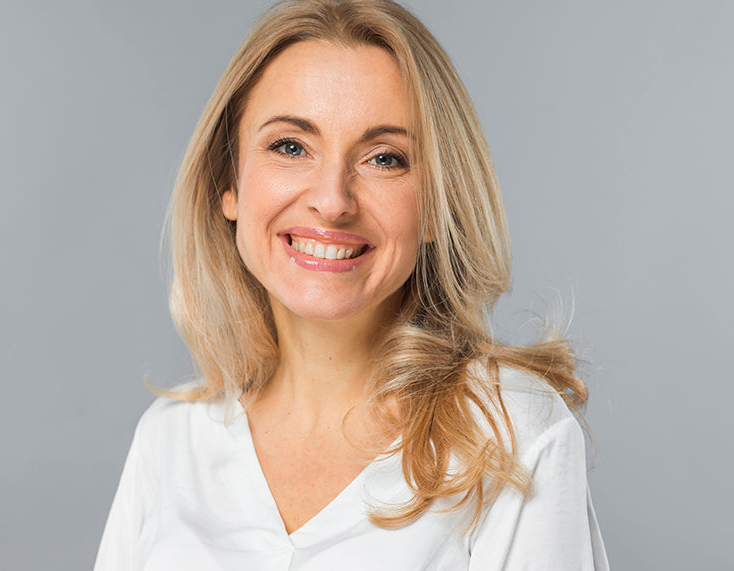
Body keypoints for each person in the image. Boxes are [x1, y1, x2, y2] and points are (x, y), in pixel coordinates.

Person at [94, 0, 609, 569]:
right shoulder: (170, 441)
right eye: (290, 147)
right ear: (228, 183)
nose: (333, 200)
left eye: (385, 158)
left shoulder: (511, 432)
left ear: (437, 204)